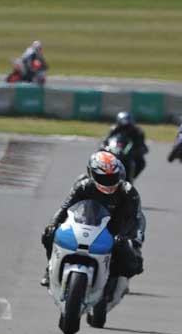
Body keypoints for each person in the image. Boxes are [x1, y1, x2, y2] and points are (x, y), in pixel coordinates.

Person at [40, 151, 145, 288]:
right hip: (87, 222)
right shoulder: (83, 186)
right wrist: (53, 224)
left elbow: (133, 219)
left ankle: (113, 281)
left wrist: (123, 235)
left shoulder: (128, 191)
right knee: (49, 233)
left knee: (132, 262)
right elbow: (65, 208)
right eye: (103, 178)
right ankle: (50, 269)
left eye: (112, 177)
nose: (108, 182)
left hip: (116, 227)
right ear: (91, 173)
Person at [102, 112, 149, 179]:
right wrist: (104, 146)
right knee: (99, 160)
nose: (125, 128)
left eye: (127, 126)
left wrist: (139, 150)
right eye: (123, 126)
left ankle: (131, 179)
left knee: (141, 162)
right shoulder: (114, 129)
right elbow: (106, 140)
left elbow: (142, 145)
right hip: (114, 152)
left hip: (129, 154)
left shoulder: (137, 132)